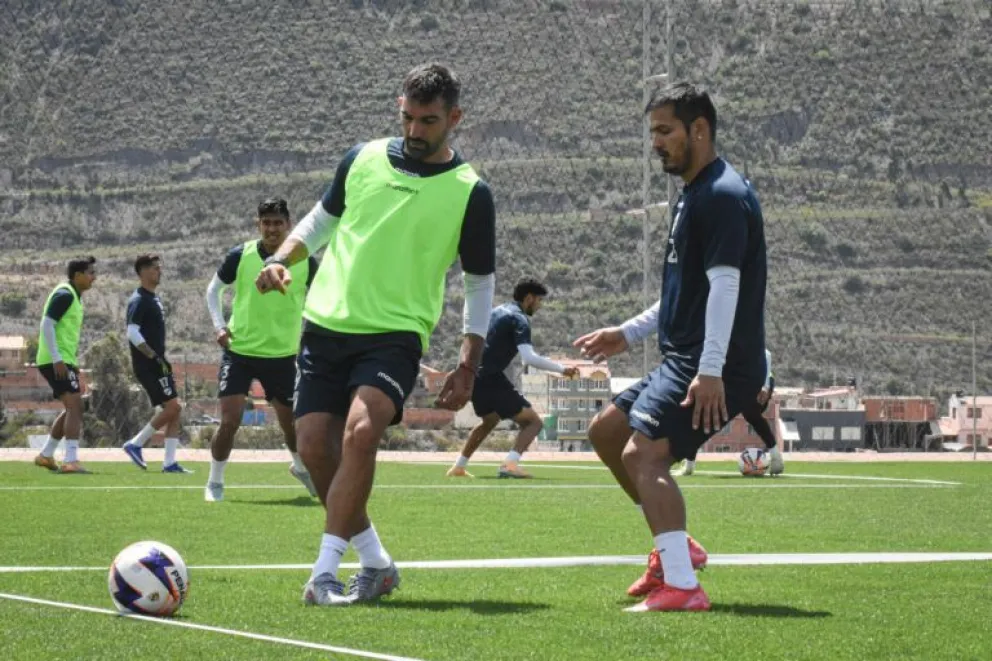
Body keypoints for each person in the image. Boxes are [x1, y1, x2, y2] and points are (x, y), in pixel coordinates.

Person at [255, 63, 495, 606]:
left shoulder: (470, 192)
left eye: (429, 121)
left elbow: (480, 283)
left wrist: (468, 362)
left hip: (395, 333)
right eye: (408, 117)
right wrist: (281, 259)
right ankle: (377, 562)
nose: (415, 130)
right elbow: (319, 221)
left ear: (454, 118)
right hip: (324, 323)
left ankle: (322, 575)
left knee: (360, 434)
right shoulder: (361, 158)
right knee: (315, 449)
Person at [574, 82, 767, 612]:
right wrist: (628, 333)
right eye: (652, 132)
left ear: (698, 130)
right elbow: (685, 294)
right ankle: (675, 545)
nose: (655, 143)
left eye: (665, 131)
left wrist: (710, 372)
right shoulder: (694, 195)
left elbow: (725, 289)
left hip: (716, 363)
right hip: (687, 357)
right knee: (608, 432)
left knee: (644, 452)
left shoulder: (723, 196)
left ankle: (683, 586)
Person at [202, 198, 320, 502]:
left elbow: (323, 298)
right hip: (240, 351)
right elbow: (213, 290)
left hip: (282, 355)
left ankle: (300, 468)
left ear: (289, 225)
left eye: (278, 223)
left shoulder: (305, 260)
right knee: (230, 419)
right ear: (258, 224)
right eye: (266, 222)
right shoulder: (240, 255)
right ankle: (215, 482)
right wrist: (219, 326)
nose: (272, 228)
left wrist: (316, 337)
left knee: (291, 425)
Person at [447, 278, 578, 479]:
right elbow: (529, 358)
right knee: (533, 423)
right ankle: (510, 464)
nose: (540, 306)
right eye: (539, 301)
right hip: (491, 378)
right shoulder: (519, 319)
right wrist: (562, 370)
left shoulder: (496, 312)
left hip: (474, 377)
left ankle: (458, 466)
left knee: (489, 420)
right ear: (528, 298)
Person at [121, 254, 190, 474]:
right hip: (149, 365)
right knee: (174, 407)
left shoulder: (154, 298)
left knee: (174, 410)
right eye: (153, 268)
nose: (158, 271)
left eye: (159, 267)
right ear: (142, 272)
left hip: (159, 363)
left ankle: (169, 463)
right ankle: (136, 443)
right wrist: (152, 356)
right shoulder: (139, 299)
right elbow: (132, 332)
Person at [33, 256, 97, 474]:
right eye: (90, 273)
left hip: (63, 360)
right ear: (77, 275)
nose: (93, 278)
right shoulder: (64, 294)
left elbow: (64, 334)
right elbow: (47, 324)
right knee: (76, 406)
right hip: (54, 360)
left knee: (72, 407)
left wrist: (72, 364)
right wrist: (57, 358)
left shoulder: (75, 297)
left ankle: (46, 455)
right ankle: (70, 460)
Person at [675, 347, 783, 476]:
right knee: (705, 412)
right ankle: (689, 465)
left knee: (750, 411)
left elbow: (766, 353)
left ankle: (776, 456)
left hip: (759, 377)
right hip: (733, 381)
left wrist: (764, 386)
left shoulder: (733, 337)